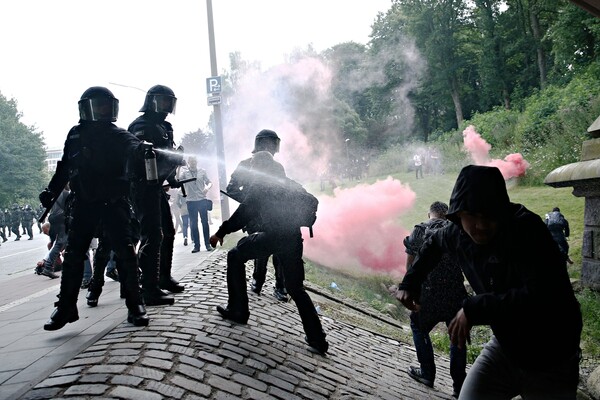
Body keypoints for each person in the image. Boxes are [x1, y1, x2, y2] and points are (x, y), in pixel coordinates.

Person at [396, 165, 582, 399]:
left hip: (552, 352)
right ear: (458, 214)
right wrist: (410, 282)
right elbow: (432, 245)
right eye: (472, 216)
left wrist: (473, 308)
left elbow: (540, 295)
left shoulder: (527, 231)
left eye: (490, 216)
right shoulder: (455, 233)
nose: (481, 226)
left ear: (502, 212)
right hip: (506, 346)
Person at [38, 86, 149, 330]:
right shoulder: (75, 134)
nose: (104, 110)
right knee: (74, 256)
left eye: (108, 106)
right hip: (83, 203)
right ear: (87, 107)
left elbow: (133, 144)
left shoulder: (117, 134)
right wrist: (50, 190)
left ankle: (135, 304)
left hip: (113, 202)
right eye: (99, 105)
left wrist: (141, 149)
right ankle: (66, 306)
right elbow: (65, 167)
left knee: (126, 252)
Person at [210, 149, 328, 355]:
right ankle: (318, 339)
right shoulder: (290, 183)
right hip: (292, 239)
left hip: (272, 237)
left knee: (234, 256)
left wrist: (221, 232)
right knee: (296, 288)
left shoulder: (261, 186)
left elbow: (242, 215)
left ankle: (238, 310)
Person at [390, 201, 467, 398]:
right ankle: (459, 385)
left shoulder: (419, 230)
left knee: (418, 327)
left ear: (429, 213)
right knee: (456, 335)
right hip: (455, 292)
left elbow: (410, 267)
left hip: (428, 292)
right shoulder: (455, 230)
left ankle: (427, 373)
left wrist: (410, 289)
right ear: (446, 215)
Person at [128, 84, 185, 303]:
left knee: (168, 232)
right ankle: (148, 287)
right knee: (152, 235)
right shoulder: (140, 126)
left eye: (169, 102)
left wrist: (172, 176)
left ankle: (163, 277)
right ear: (151, 101)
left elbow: (164, 160)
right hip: (142, 187)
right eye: (163, 101)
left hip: (157, 187)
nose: (167, 106)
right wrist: (172, 159)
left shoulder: (165, 127)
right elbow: (141, 159)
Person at [225, 129, 288, 301]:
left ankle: (280, 285)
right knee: (260, 249)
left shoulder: (277, 167)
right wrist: (251, 201)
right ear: (263, 144)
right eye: (272, 143)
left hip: (273, 214)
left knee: (278, 248)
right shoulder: (245, 164)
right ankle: (257, 280)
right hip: (253, 215)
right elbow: (231, 189)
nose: (275, 148)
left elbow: (283, 190)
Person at [178, 156, 213, 253]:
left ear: (197, 162)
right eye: (191, 161)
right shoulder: (185, 173)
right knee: (193, 224)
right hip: (191, 201)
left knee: (205, 223)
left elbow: (209, 182)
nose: (193, 162)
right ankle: (196, 245)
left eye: (194, 161)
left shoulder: (202, 171)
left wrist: (207, 188)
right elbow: (178, 181)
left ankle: (207, 244)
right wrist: (179, 167)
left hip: (202, 199)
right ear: (188, 162)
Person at [38, 184, 71, 279]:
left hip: (54, 218)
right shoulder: (65, 193)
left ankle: (49, 265)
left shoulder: (55, 194)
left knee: (57, 243)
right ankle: (48, 266)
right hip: (61, 219)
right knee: (60, 243)